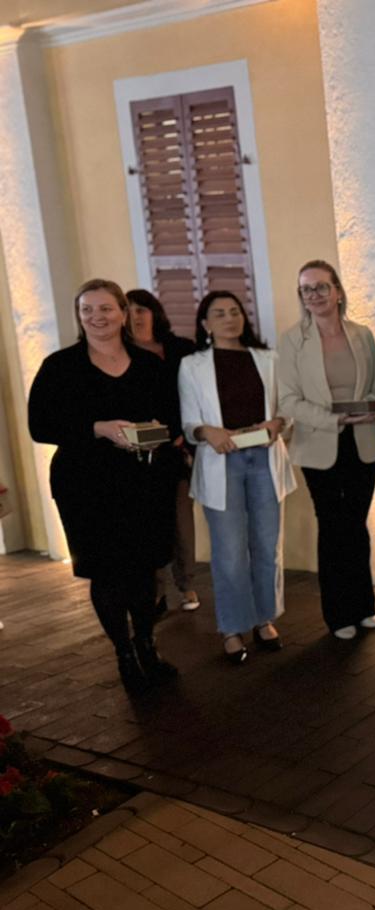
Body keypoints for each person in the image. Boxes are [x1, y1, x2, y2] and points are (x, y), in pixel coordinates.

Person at [28, 279, 182, 692]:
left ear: (123, 314)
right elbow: (40, 426)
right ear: (79, 316)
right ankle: (124, 654)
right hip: (85, 486)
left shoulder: (149, 365)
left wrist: (150, 434)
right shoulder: (59, 366)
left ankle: (147, 645)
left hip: (145, 482)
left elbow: (173, 421)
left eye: (105, 309)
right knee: (108, 572)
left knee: (144, 569)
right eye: (87, 310)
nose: (97, 317)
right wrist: (98, 427)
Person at [179, 291, 295, 663]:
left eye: (235, 311)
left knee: (267, 546)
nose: (229, 318)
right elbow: (189, 421)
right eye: (219, 313)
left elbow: (287, 406)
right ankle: (232, 628)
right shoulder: (192, 365)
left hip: (264, 459)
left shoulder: (268, 359)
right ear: (205, 324)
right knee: (229, 553)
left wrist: (278, 422)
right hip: (221, 462)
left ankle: (264, 619)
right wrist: (206, 432)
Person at [278, 260, 375, 640]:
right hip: (318, 443)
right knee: (332, 525)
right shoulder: (293, 340)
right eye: (307, 289)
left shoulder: (362, 334)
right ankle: (339, 614)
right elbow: (288, 401)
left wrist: (368, 407)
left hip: (362, 439)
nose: (315, 295)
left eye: (322, 286)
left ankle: (364, 606)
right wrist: (333, 419)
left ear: (338, 290)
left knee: (356, 523)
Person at [126, 288, 200, 616]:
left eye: (141, 309)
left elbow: (199, 395)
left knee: (182, 521)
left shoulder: (182, 349)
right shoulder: (121, 354)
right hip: (141, 451)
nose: (135, 316)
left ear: (155, 312)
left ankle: (187, 583)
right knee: (149, 523)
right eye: (128, 311)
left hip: (180, 447)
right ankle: (156, 590)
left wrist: (186, 436)